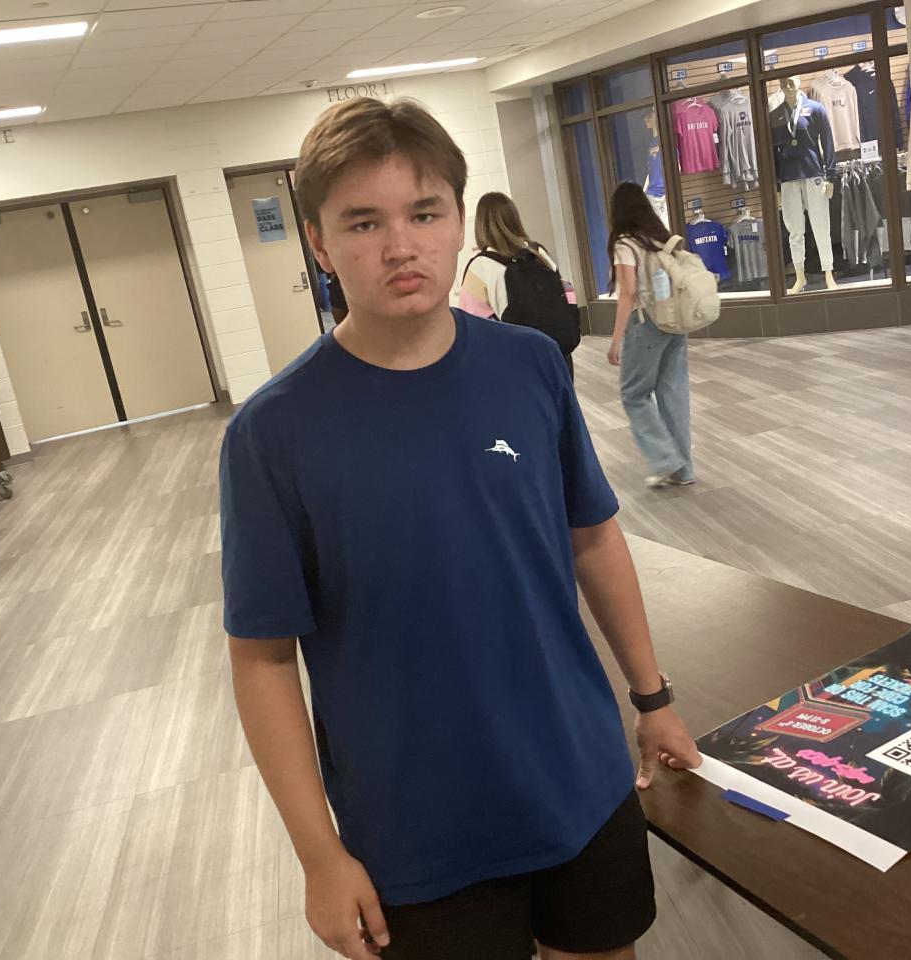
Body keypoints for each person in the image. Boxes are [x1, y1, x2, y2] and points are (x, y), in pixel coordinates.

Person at [220, 97, 701, 960]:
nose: (400, 246)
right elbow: (263, 659)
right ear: (319, 244)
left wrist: (653, 698)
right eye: (363, 223)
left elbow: (593, 537)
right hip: (416, 830)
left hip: (578, 779)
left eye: (424, 213)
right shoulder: (273, 433)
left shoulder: (529, 366)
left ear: (457, 222)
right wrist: (319, 854)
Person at [606, 183, 695, 488]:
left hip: (646, 324)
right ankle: (684, 470)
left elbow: (628, 293)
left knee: (634, 394)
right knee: (673, 393)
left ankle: (665, 459)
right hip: (675, 322)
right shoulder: (661, 239)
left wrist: (615, 340)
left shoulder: (625, 243)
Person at [459, 191, 580, 379]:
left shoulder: (480, 266)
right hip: (557, 354)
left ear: (481, 226)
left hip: (518, 362)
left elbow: (470, 325)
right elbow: (568, 291)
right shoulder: (537, 251)